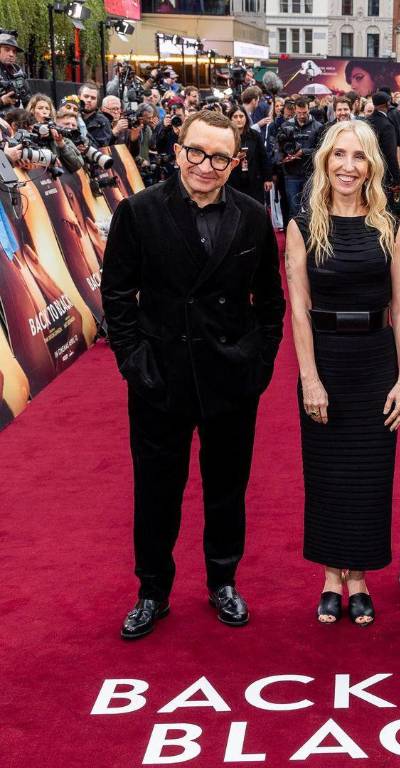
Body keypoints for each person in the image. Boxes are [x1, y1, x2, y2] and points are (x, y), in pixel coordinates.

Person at [101, 110, 286, 640]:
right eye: (197, 152)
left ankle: (222, 581)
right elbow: (117, 297)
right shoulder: (138, 213)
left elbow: (269, 301)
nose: (207, 165)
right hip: (162, 377)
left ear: (235, 161)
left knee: (228, 487)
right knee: (156, 489)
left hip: (231, 377)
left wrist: (260, 360)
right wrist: (136, 364)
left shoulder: (251, 215)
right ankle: (152, 590)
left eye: (220, 157)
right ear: (178, 149)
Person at [285, 120, 400, 625]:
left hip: (376, 361)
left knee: (369, 475)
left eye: (358, 158)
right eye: (339, 155)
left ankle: (357, 578)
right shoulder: (302, 225)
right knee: (326, 475)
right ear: (324, 161)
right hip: (326, 362)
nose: (347, 166)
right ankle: (328, 578)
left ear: (371, 167)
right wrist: (310, 378)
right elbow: (298, 310)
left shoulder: (391, 224)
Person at [277, 96, 323, 218]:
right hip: (291, 173)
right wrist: (283, 157)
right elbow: (278, 147)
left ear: (309, 109)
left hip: (311, 173)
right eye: (299, 113)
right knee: (294, 209)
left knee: (311, 209)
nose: (302, 116)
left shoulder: (318, 126)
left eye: (305, 113)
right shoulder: (286, 125)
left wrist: (303, 151)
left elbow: (322, 150)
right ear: (295, 111)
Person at [226, 104, 272, 205]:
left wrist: (267, 178)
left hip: (253, 178)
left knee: (255, 208)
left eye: (241, 116)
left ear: (246, 118)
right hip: (233, 180)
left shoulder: (255, 135)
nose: (239, 119)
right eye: (235, 116)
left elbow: (263, 157)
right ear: (230, 119)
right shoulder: (226, 136)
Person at [368, 92, 400, 203]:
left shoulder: (367, 121)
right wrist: (396, 178)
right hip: (383, 175)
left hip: (368, 172)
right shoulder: (387, 126)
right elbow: (390, 154)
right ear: (387, 103)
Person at [0, 31, 30, 116]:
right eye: (7, 49)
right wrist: (2, 101)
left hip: (16, 120)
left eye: (14, 51)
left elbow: (28, 100)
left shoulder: (18, 71)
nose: (11, 54)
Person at [79, 82, 113, 147]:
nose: (89, 100)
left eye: (93, 98)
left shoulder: (103, 122)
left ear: (97, 101)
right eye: (86, 96)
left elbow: (100, 148)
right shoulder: (72, 116)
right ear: (79, 97)